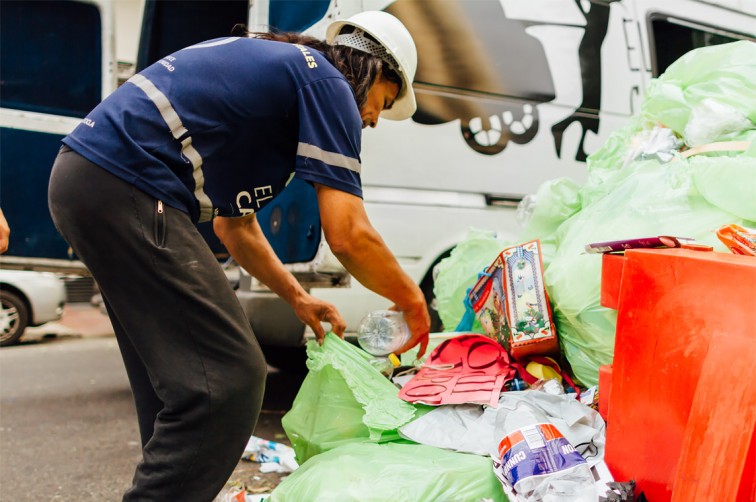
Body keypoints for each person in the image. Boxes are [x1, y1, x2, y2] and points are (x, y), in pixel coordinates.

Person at [47, 11, 429, 501]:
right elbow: (349, 234)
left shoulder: (286, 85)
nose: (375, 118)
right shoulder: (328, 82)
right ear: (374, 70)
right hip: (128, 184)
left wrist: (298, 299)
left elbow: (236, 226)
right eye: (386, 101)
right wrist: (411, 299)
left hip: (89, 179)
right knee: (231, 379)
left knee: (177, 388)